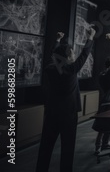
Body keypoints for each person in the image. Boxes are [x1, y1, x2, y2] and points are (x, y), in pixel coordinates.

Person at [36, 28, 96, 172]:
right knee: (67, 147)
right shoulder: (71, 69)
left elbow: (54, 56)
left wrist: (57, 41)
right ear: (68, 57)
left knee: (46, 146)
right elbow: (84, 54)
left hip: (52, 112)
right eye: (72, 54)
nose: (74, 55)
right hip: (68, 114)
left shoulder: (50, 69)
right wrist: (90, 38)